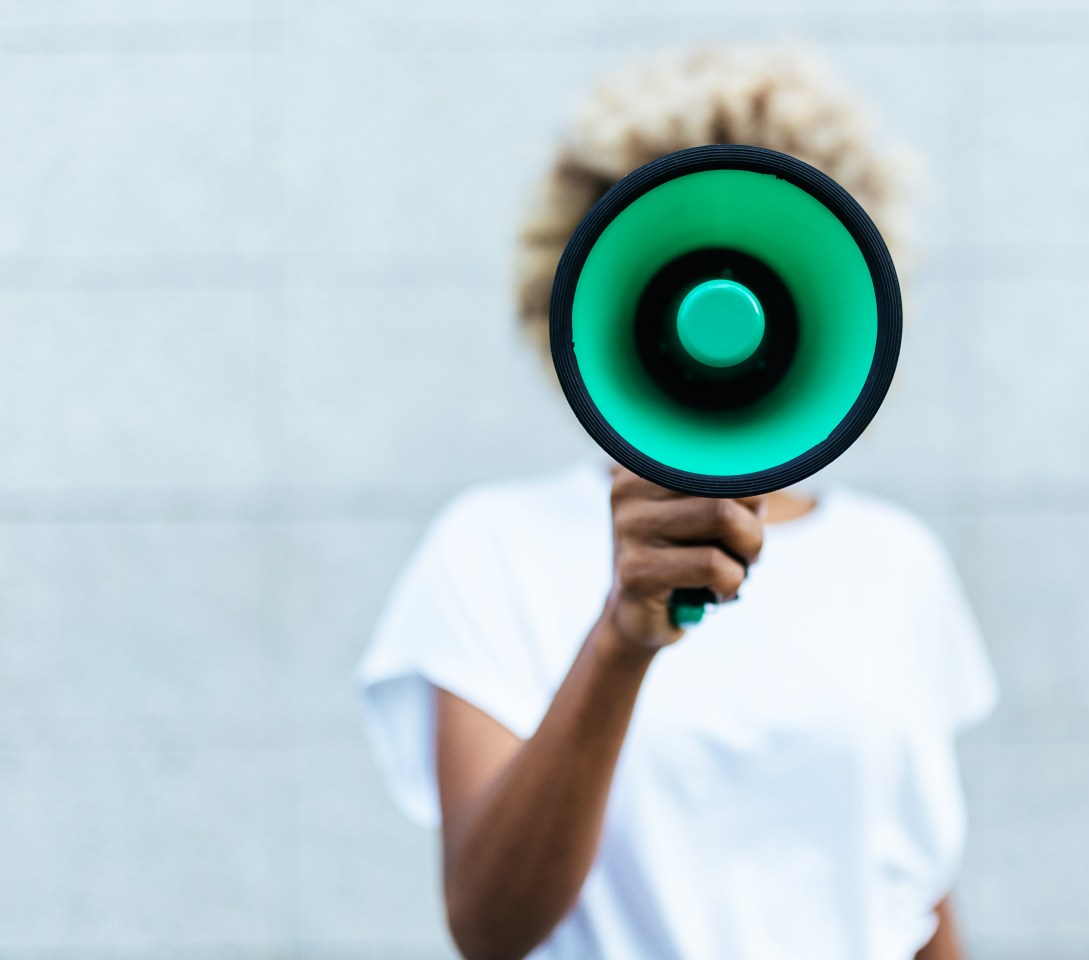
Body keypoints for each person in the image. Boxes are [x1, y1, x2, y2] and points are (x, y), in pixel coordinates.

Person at [357, 44, 997, 960]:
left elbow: (913, 890)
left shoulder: (896, 563)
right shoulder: (493, 549)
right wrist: (622, 640)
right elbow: (490, 926)